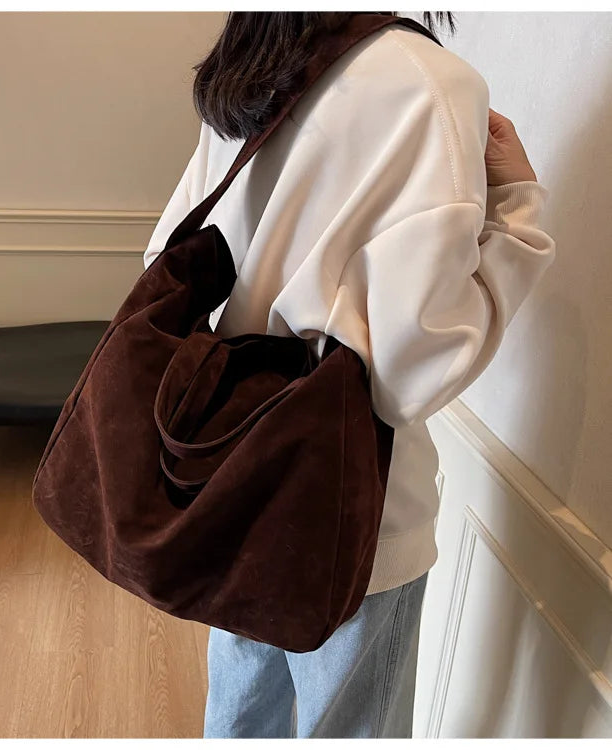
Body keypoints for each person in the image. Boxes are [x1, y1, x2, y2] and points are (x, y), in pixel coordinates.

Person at [143, 11, 556, 740]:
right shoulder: (433, 84)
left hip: (230, 478)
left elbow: (166, 256)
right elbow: (410, 368)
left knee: (240, 717)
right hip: (354, 510)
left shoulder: (254, 61)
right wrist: (518, 210)